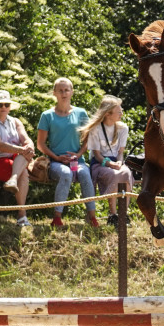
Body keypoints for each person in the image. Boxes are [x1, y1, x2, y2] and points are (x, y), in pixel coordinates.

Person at [37, 77, 98, 229]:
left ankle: (92, 217)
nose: (64, 93)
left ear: (72, 92)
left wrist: (78, 155)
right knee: (66, 173)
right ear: (54, 93)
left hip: (77, 161)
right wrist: (56, 157)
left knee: (85, 173)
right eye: (60, 90)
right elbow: (40, 144)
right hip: (55, 162)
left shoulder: (81, 113)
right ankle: (57, 218)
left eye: (67, 90)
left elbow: (88, 139)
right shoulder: (47, 115)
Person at [0, 89, 35, 227]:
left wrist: (29, 147)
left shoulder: (15, 121)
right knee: (24, 172)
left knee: (23, 160)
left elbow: (26, 139)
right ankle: (22, 215)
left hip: (15, 159)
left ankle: (13, 179)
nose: (3, 107)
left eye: (6, 104)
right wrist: (23, 150)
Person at [80, 95, 135, 228]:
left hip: (116, 162)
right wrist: (110, 164)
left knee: (126, 173)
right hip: (100, 163)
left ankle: (123, 213)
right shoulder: (95, 129)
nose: (122, 113)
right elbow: (97, 155)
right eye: (119, 111)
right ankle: (113, 214)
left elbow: (120, 153)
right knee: (115, 175)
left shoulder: (123, 128)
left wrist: (120, 163)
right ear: (108, 113)